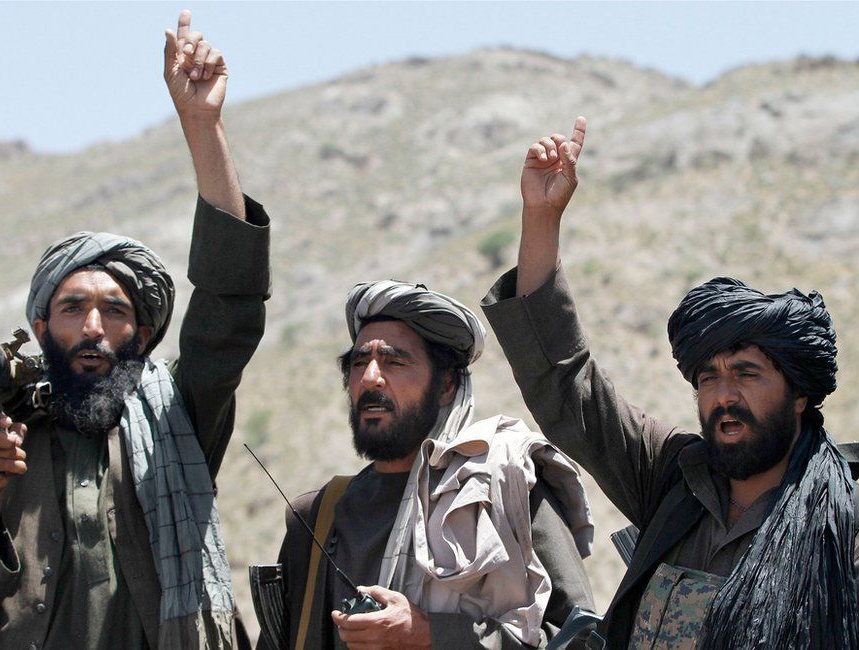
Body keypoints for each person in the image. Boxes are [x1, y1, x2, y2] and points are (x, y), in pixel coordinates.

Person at [0, 11, 270, 649]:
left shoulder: (180, 419)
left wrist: (204, 127)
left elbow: (232, 302)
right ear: (38, 327)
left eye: (115, 311)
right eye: (72, 309)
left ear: (142, 334)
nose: (93, 328)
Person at [480, 117, 858, 648]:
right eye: (709, 377)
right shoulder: (673, 477)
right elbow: (566, 382)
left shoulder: (843, 517)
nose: (724, 395)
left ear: (800, 393)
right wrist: (542, 217)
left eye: (747, 374)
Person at [267, 281, 596, 649]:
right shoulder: (317, 515)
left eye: (394, 361)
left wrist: (432, 634)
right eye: (359, 362)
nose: (370, 378)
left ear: (446, 386)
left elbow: (583, 638)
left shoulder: (505, 484)